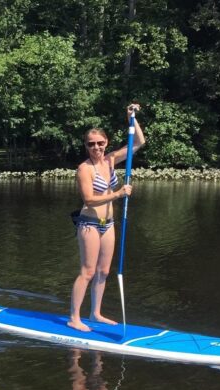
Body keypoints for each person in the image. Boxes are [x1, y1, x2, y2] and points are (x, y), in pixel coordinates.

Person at [68, 104, 145, 332]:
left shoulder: (110, 160)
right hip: (89, 224)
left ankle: (95, 313)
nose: (96, 147)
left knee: (104, 271)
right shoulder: (84, 169)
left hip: (108, 224)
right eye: (91, 144)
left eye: (100, 143)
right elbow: (90, 200)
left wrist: (131, 117)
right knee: (88, 272)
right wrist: (118, 193)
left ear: (106, 142)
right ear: (86, 146)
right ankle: (74, 317)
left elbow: (139, 143)